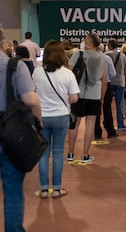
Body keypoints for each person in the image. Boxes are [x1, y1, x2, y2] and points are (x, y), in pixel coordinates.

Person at [0, 28, 42, 231]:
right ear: (3, 42)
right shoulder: (13, 66)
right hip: (10, 135)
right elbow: (30, 99)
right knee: (13, 188)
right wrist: (38, 122)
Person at [33, 40, 80, 199]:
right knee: (59, 152)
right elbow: (74, 98)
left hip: (42, 117)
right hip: (61, 116)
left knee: (44, 153)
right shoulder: (68, 73)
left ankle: (44, 189)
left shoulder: (37, 72)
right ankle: (58, 188)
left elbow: (33, 93)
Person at [67, 33, 108, 163]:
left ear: (88, 42)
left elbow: (68, 73)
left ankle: (71, 152)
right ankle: (85, 154)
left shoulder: (78, 55)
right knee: (90, 125)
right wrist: (101, 97)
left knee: (74, 124)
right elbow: (104, 81)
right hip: (94, 95)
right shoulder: (103, 58)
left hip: (78, 94)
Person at [105, 38, 126, 130]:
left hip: (108, 81)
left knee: (107, 104)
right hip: (120, 81)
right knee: (120, 104)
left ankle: (107, 124)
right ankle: (120, 124)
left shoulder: (105, 55)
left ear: (109, 45)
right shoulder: (122, 55)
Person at [95, 43, 116, 140]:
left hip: (94, 86)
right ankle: (110, 131)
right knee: (107, 109)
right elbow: (113, 73)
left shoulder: (90, 58)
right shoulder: (107, 58)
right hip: (107, 85)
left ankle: (97, 133)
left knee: (95, 110)